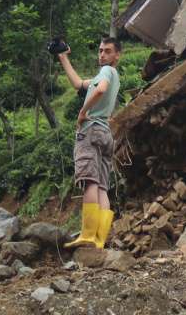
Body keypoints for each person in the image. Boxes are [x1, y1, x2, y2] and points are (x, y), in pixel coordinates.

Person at [57, 37, 122, 250]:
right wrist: (63, 57)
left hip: (90, 131)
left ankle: (87, 235)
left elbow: (100, 89)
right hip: (105, 134)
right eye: (101, 50)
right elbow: (78, 84)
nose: (102, 54)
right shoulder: (109, 75)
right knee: (102, 186)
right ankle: (99, 239)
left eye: (108, 51)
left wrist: (83, 112)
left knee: (90, 182)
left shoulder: (106, 73)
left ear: (116, 56)